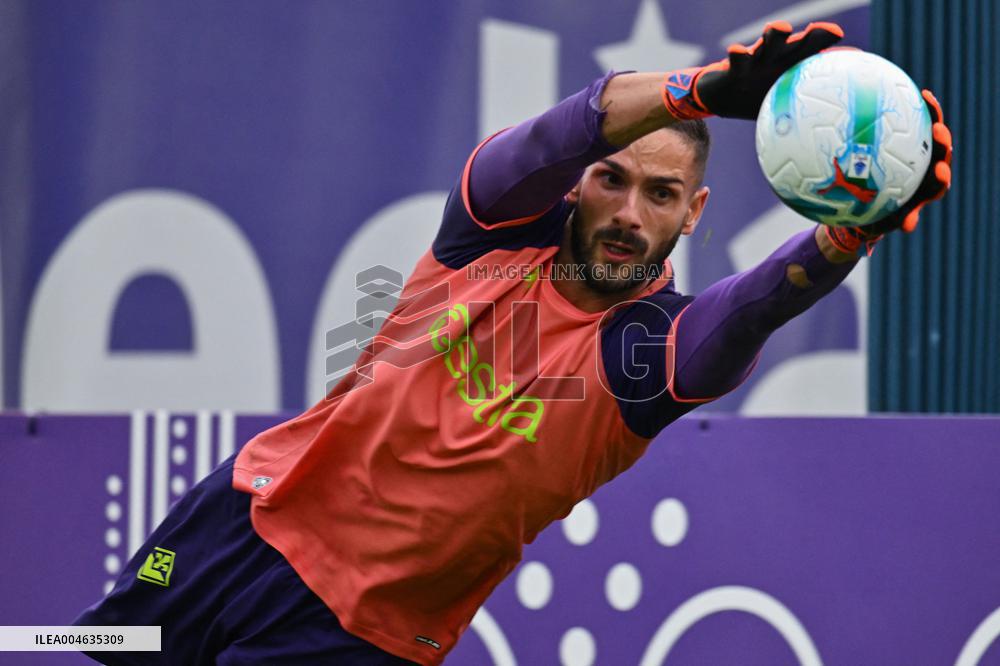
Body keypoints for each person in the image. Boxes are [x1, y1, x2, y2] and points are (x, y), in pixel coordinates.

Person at [74, 20, 951, 665]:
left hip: (352, 636)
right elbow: (553, 134)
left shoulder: (643, 354)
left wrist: (848, 234)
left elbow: (754, 307)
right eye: (611, 180)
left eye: (660, 194)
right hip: (248, 515)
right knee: (86, 645)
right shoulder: (490, 236)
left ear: (696, 212)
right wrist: (701, 89)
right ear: (579, 187)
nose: (628, 215)